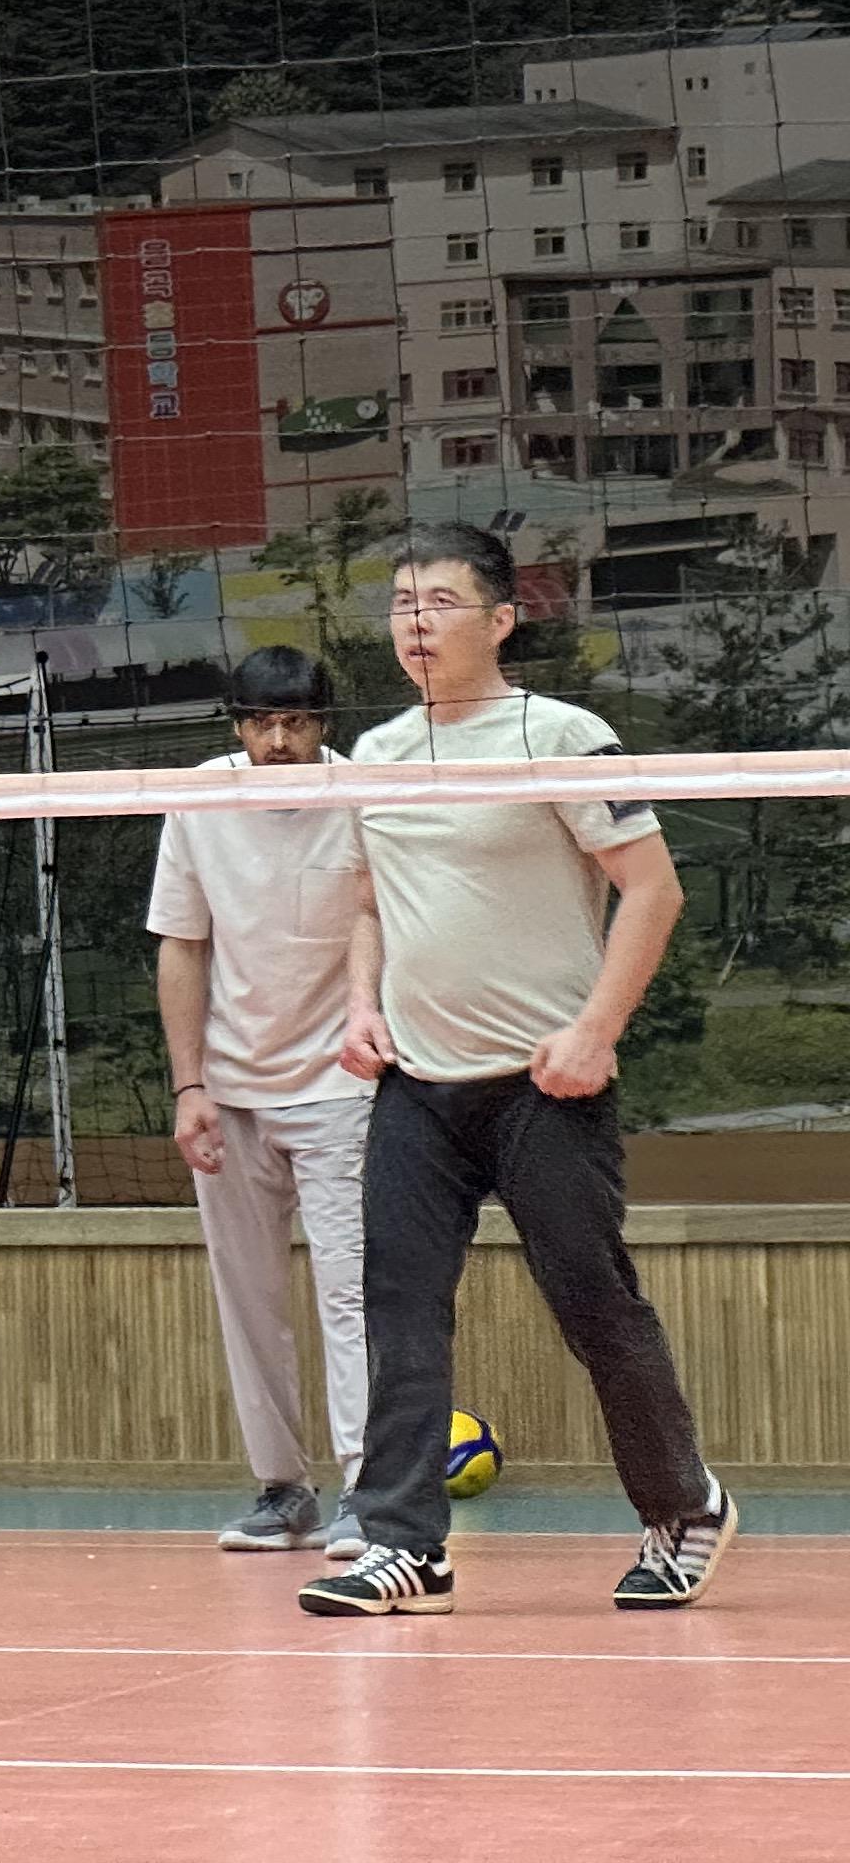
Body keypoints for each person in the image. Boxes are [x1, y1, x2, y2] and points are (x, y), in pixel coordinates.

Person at [297, 520, 735, 1618]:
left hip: (547, 1084)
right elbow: (370, 903)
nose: (416, 623)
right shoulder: (377, 754)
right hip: (417, 1087)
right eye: (402, 604)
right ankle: (405, 1545)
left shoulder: (564, 734)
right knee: (399, 1310)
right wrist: (361, 1006)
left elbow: (655, 890)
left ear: (500, 620)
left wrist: (595, 1031)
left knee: (593, 1304)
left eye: (440, 602)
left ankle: (684, 1509)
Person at [152, 645, 371, 1562]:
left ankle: (369, 1489)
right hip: (229, 1093)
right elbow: (181, 945)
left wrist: (370, 1033)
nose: (278, 741)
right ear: (237, 726)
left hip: (341, 1088)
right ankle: (284, 1488)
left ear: (324, 724)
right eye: (260, 723)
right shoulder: (200, 798)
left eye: (296, 723)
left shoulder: (364, 795)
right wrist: (190, 1087)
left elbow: (381, 922)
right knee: (248, 1297)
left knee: (353, 1291)